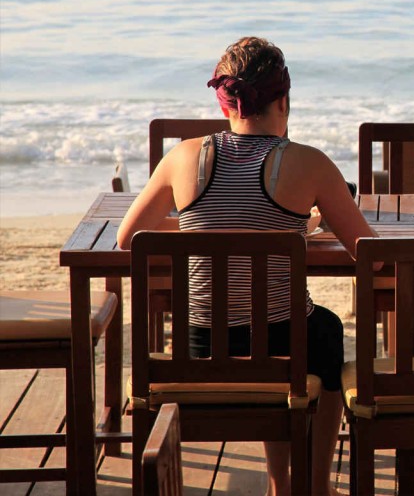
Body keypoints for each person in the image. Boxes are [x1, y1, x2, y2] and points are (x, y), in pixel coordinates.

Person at [117, 36, 374, 496]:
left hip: (197, 346)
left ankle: (279, 484)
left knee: (286, 331)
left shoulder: (183, 156)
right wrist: (304, 224)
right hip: (281, 348)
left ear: (225, 105)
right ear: (284, 99)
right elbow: (369, 254)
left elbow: (128, 239)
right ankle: (312, 486)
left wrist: (199, 231)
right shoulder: (308, 163)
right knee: (328, 333)